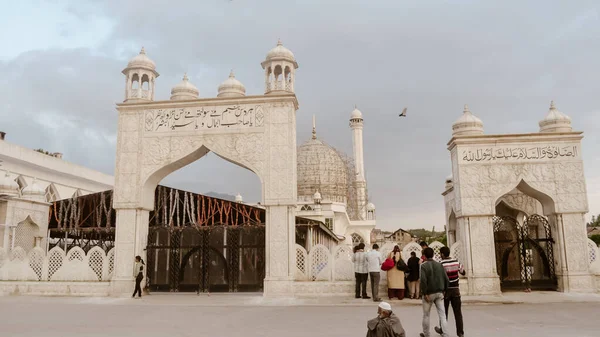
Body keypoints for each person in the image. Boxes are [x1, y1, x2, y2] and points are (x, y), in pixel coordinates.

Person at [435, 246, 466, 337]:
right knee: (458, 313)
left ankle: (442, 330)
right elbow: (463, 272)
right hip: (456, 290)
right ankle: (460, 333)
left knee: (443, 313)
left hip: (445, 291)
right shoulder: (456, 261)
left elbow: (438, 277)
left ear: (442, 254)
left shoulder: (441, 263)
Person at [419, 247, 449, 337]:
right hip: (439, 292)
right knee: (442, 315)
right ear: (433, 255)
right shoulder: (440, 265)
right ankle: (445, 333)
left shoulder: (423, 266)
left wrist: (424, 293)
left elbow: (423, 281)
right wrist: (444, 290)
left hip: (429, 293)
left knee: (426, 315)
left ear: (424, 256)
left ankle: (426, 334)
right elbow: (446, 279)